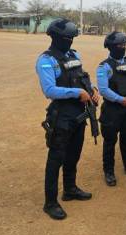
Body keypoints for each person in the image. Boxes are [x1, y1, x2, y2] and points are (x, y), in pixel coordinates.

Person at [36, 18, 100, 220]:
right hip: (61, 116)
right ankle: (50, 202)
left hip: (79, 114)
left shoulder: (74, 55)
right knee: (56, 159)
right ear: (55, 37)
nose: (70, 42)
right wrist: (77, 92)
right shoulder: (46, 60)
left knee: (74, 154)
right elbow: (49, 90)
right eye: (67, 38)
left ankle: (70, 189)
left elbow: (82, 77)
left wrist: (92, 90)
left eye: (72, 38)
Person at [97, 31, 126, 187]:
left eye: (124, 45)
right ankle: (108, 171)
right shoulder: (104, 66)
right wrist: (119, 99)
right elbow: (103, 90)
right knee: (110, 142)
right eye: (119, 45)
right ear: (110, 47)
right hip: (113, 110)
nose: (122, 47)